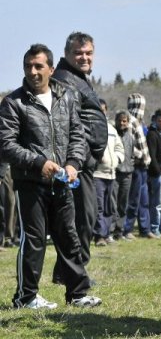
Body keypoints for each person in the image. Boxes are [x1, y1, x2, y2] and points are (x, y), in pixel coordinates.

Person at [0, 43, 101, 309]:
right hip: (30, 183)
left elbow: (77, 135)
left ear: (51, 69)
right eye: (28, 66)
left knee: (69, 237)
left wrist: (72, 163)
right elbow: (6, 144)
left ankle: (77, 294)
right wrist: (38, 162)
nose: (32, 72)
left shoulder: (67, 96)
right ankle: (27, 297)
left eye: (38, 66)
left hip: (62, 182)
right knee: (33, 240)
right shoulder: (14, 103)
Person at [52, 32, 108, 284]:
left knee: (81, 218)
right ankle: (74, 273)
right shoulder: (65, 80)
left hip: (83, 161)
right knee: (81, 219)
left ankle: (66, 272)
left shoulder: (77, 78)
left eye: (88, 53)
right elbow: (68, 124)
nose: (84, 57)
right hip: (75, 163)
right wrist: (76, 160)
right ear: (66, 54)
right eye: (78, 53)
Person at [92, 101, 124, 246]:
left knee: (108, 206)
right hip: (97, 174)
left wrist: (117, 159)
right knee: (98, 206)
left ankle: (106, 234)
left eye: (103, 110)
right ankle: (99, 236)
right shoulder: (90, 126)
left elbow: (119, 146)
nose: (101, 112)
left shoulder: (111, 128)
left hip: (111, 173)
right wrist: (97, 161)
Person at [123, 93, 154, 239]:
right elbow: (127, 143)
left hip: (143, 168)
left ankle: (145, 229)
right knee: (133, 199)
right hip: (135, 165)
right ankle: (127, 229)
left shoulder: (140, 122)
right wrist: (141, 154)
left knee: (144, 200)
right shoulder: (130, 121)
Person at [112, 110, 134, 240]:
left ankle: (119, 231)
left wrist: (131, 166)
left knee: (123, 203)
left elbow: (131, 154)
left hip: (127, 173)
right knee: (112, 203)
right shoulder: (113, 135)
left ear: (128, 122)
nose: (122, 123)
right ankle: (109, 230)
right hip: (115, 172)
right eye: (119, 120)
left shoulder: (130, 137)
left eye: (124, 121)